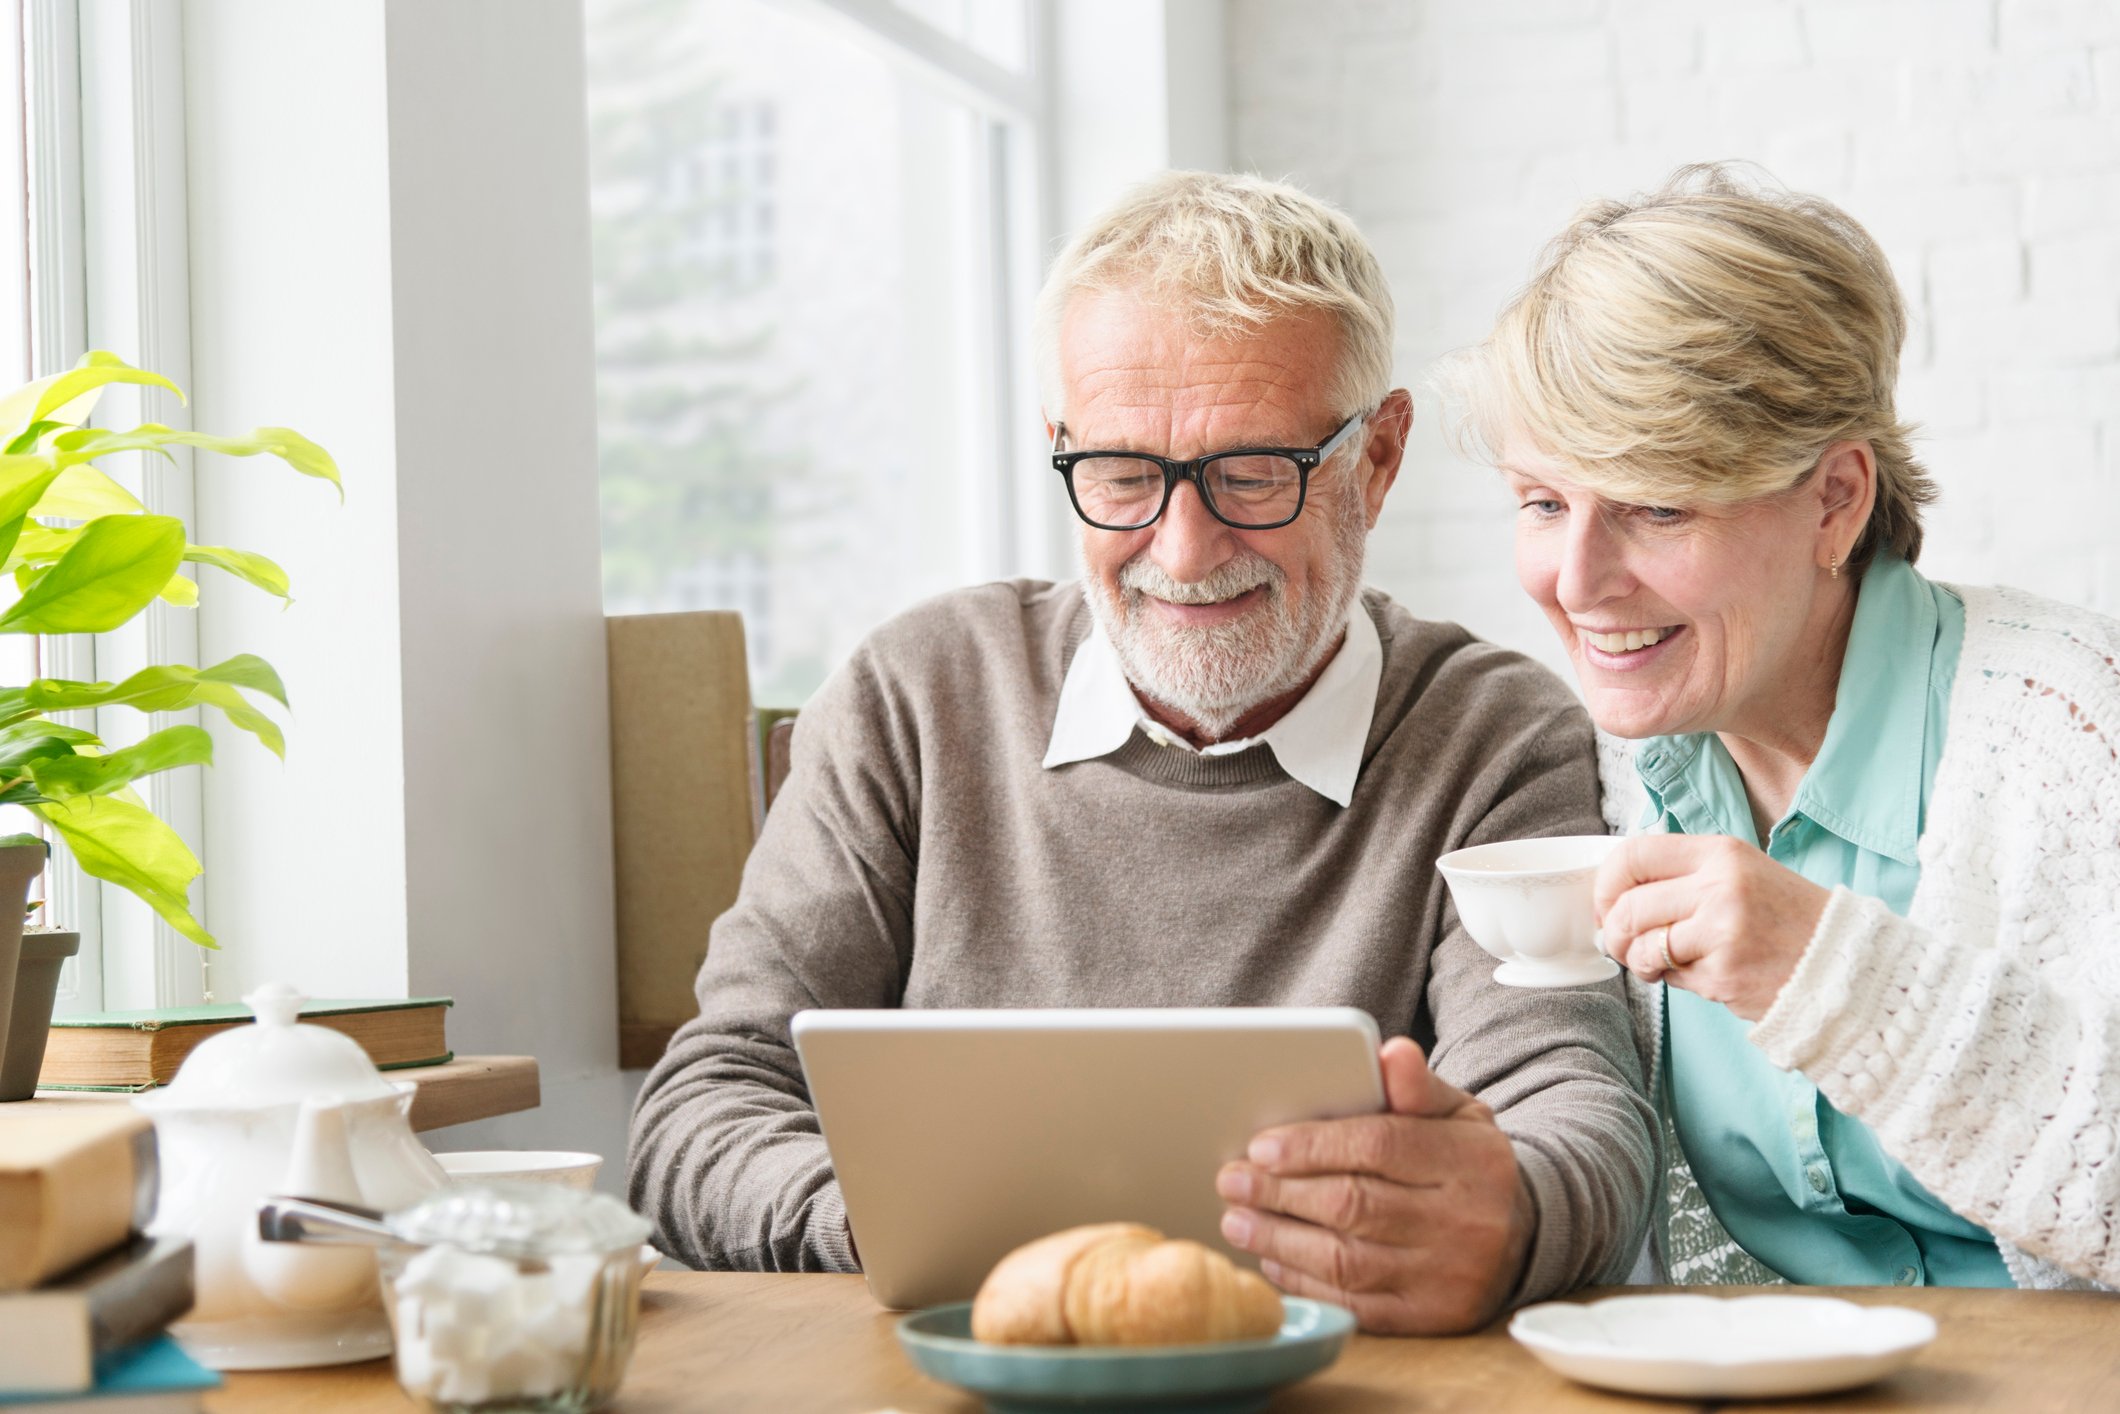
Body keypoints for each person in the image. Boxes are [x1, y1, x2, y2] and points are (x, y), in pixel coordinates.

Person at [628, 171, 1655, 1334]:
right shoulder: (915, 695)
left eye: (1252, 473)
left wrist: (1509, 1217)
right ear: (1059, 449)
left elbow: (1571, 1115)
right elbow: (701, 1112)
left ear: (1375, 458)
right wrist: (907, 1229)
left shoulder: (1493, 734)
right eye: (1121, 474)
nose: (1181, 546)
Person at [1444, 162, 2120, 1290]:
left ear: (1835, 500)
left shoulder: (2071, 734)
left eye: (1657, 505)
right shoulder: (1602, 779)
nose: (1574, 581)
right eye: (1542, 503)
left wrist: (1831, 974)